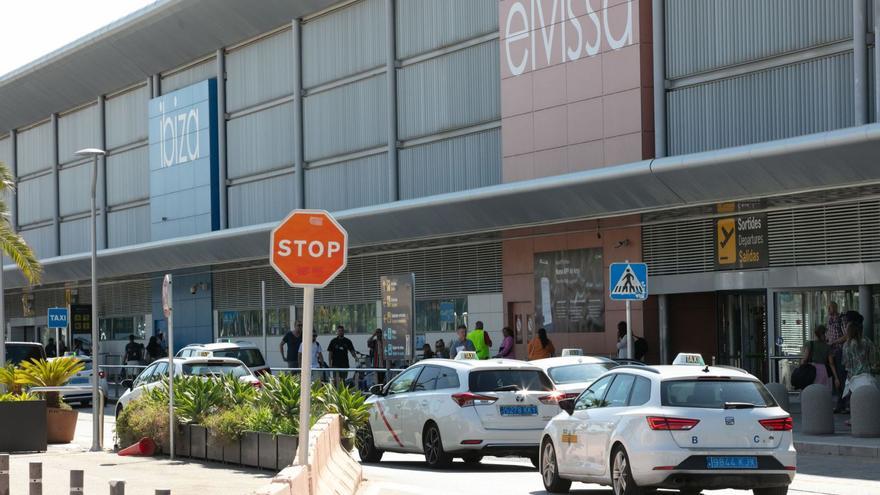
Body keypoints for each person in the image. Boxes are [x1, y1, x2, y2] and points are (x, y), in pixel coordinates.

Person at [840, 311, 878, 414]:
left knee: (855, 404)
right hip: (867, 378)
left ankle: (855, 420)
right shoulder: (868, 342)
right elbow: (874, 361)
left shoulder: (846, 345)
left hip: (853, 379)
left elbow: (846, 364)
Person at [825, 302, 848, 409]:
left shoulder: (841, 319)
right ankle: (839, 403)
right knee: (835, 377)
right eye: (828, 307)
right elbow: (828, 334)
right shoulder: (829, 320)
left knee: (841, 376)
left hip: (839, 351)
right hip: (831, 351)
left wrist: (834, 342)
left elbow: (847, 335)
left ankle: (842, 403)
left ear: (834, 307)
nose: (828, 309)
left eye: (829, 307)